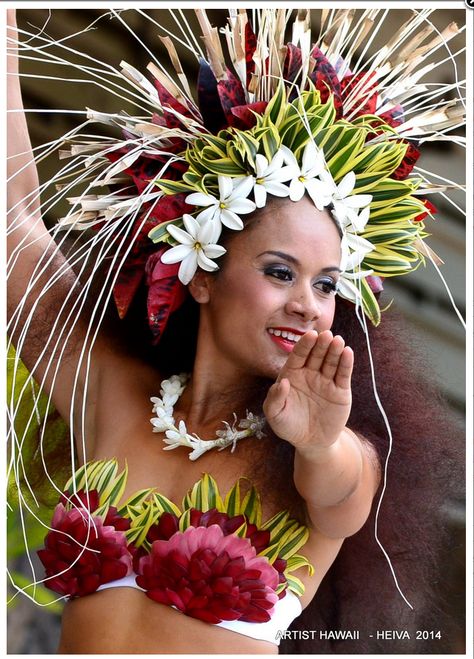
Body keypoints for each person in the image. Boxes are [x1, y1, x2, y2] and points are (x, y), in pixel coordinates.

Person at [7, 8, 465, 654]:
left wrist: (318, 442)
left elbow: (342, 496)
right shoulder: (112, 396)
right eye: (282, 272)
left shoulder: (330, 457)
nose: (308, 304)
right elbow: (14, 227)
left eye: (328, 284)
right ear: (201, 275)